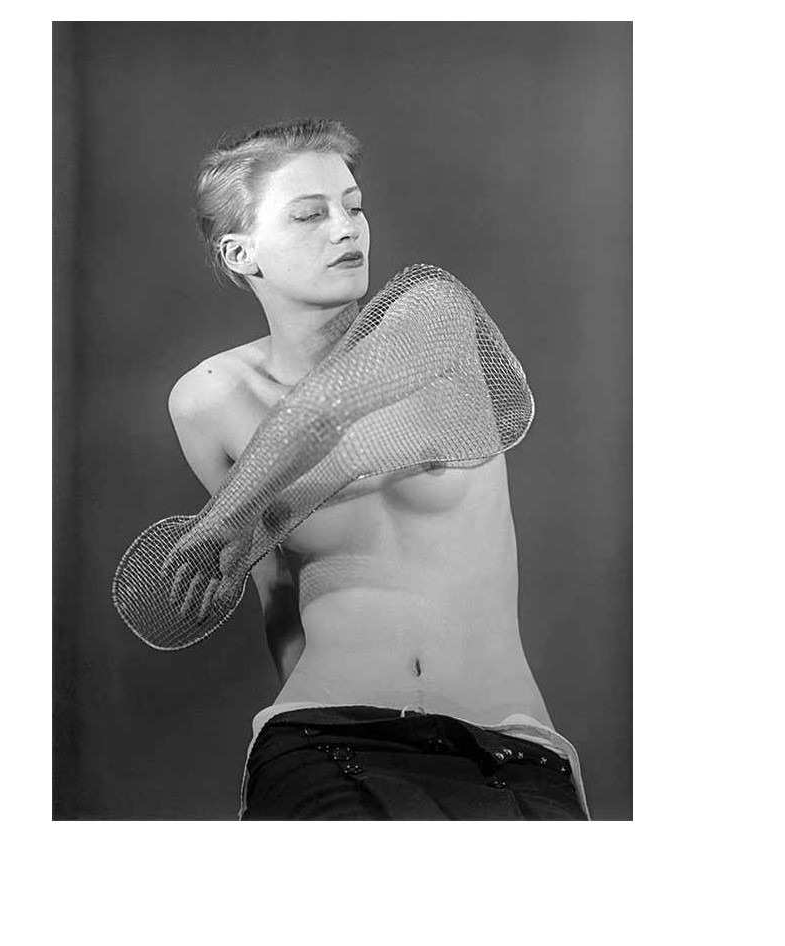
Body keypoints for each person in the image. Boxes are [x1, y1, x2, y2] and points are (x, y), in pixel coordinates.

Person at [166, 119, 589, 820]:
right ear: (241, 253)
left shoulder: (433, 317)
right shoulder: (209, 400)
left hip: (506, 745)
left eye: (353, 206)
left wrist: (225, 517)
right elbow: (277, 593)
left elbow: (325, 413)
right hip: (322, 739)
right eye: (310, 214)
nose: (346, 228)